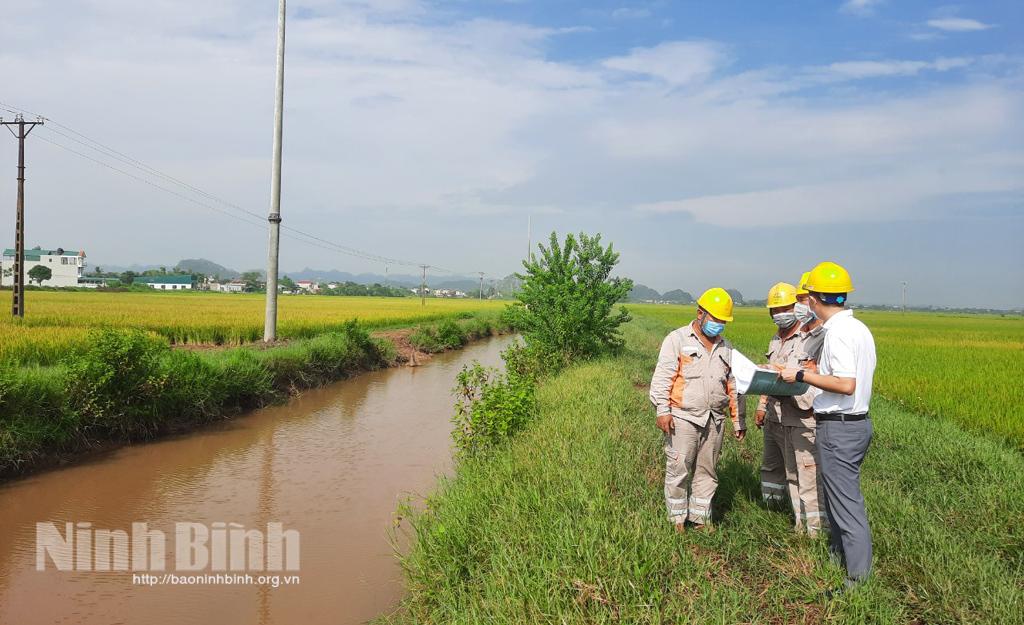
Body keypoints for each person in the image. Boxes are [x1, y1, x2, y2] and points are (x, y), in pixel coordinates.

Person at [780, 262, 876, 590]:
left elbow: (845, 384)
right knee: (837, 499)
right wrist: (813, 370)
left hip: (840, 428)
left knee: (846, 504)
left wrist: (801, 375)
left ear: (815, 299)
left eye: (807, 298)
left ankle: (857, 580)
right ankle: (839, 558)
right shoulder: (859, 329)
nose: (805, 303)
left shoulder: (837, 333)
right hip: (854, 425)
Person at [650, 287, 746, 531]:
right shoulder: (677, 340)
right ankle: (677, 520)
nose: (719, 325)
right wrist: (662, 410)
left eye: (723, 321)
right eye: (715, 318)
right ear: (700, 313)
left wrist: (738, 421)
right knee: (679, 468)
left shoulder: (726, 347)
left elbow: (734, 386)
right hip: (683, 417)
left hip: (714, 419)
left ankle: (700, 518)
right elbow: (663, 377)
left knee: (707, 471)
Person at [755, 281, 828, 536]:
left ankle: (815, 531)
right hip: (778, 413)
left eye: (785, 308)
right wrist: (762, 404)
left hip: (803, 415)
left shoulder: (811, 339)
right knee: (788, 471)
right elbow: (770, 376)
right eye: (775, 310)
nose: (780, 314)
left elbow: (817, 377)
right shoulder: (776, 339)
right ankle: (792, 521)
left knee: (806, 474)